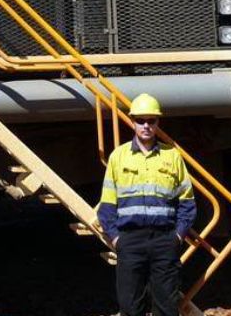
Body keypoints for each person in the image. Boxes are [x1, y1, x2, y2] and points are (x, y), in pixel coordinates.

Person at [97, 93, 197, 316]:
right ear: (132, 122)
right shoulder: (118, 157)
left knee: (167, 308)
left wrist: (177, 237)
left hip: (164, 240)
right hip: (130, 241)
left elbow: (187, 204)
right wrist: (116, 239)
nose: (146, 125)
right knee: (130, 306)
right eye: (141, 120)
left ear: (157, 123)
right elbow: (106, 206)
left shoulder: (172, 157)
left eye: (151, 120)